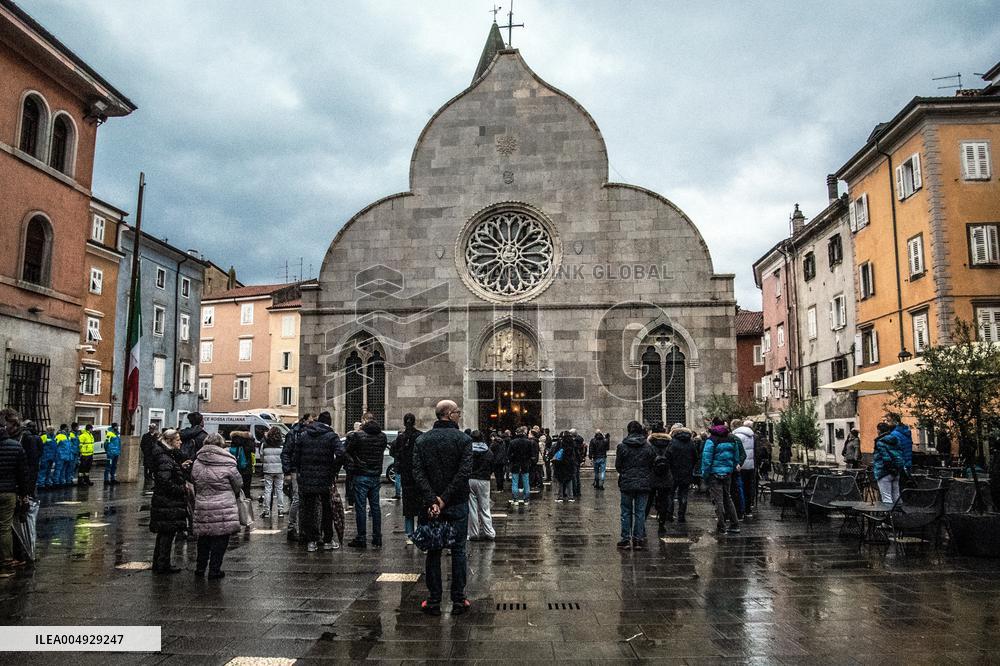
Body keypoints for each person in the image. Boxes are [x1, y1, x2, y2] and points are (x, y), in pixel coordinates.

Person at [412, 399, 473, 616]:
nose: (459, 415)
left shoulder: (422, 440)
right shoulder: (463, 440)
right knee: (458, 551)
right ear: (448, 414)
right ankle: (458, 600)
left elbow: (417, 473)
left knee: (433, 551)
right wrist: (444, 499)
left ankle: (434, 600)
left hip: (431, 507)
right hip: (455, 503)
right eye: (457, 412)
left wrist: (432, 500)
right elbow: (464, 472)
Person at [190, 433, 242, 579]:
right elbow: (238, 483)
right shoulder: (228, 462)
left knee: (204, 538)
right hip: (223, 505)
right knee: (220, 538)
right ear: (221, 444)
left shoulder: (197, 461)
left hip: (202, 503)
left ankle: (200, 568)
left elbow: (194, 479)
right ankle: (214, 570)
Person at [295, 411, 344, 552]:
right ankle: (328, 540)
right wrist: (334, 468)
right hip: (325, 477)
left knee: (310, 510)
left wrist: (301, 470)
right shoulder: (331, 436)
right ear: (330, 422)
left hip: (308, 477)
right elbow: (341, 453)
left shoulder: (304, 435)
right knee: (327, 508)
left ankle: (312, 541)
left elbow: (296, 457)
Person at [149, 429, 190, 573]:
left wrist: (180, 467)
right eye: (178, 440)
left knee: (164, 534)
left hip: (165, 502)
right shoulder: (165, 457)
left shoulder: (166, 455)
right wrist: (180, 489)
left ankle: (160, 563)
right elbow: (164, 480)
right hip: (167, 502)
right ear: (170, 441)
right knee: (167, 534)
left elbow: (167, 473)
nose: (180, 442)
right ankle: (162, 565)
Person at [346, 414, 388, 549]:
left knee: (361, 507)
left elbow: (347, 451)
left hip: (361, 474)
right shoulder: (382, 436)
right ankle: (377, 538)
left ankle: (361, 537)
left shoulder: (358, 436)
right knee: (375, 507)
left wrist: (354, 463)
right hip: (375, 475)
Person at [616, 421, 655, 550]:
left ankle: (626, 539)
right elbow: (652, 463)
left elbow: (618, 466)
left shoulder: (622, 446)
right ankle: (638, 539)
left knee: (626, 512)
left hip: (627, 483)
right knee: (640, 512)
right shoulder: (648, 446)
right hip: (644, 482)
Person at [0, 409, 29, 577]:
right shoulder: (15, 446)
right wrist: (24, 494)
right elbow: (22, 474)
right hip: (8, 492)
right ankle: (5, 564)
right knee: (4, 528)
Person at [702, 418, 741, 534]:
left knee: (718, 500)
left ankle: (722, 526)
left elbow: (706, 459)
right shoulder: (731, 438)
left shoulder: (711, 439)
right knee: (728, 498)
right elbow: (736, 456)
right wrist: (733, 467)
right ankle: (735, 524)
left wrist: (705, 475)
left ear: (713, 425)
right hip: (728, 472)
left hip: (715, 474)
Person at [393, 413, 422, 543]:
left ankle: (409, 534)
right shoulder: (420, 436)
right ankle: (420, 532)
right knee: (421, 505)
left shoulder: (401, 438)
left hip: (406, 475)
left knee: (408, 506)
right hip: (418, 474)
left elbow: (393, 452)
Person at [281, 414, 311, 541]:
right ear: (304, 421)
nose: (312, 423)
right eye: (310, 421)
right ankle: (291, 527)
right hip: (295, 470)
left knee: (304, 499)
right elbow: (286, 453)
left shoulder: (308, 433)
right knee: (297, 498)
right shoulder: (293, 433)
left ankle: (303, 528)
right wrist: (287, 472)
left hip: (306, 470)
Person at [467, 430, 495, 540]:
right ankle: (489, 532)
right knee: (484, 506)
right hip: (484, 480)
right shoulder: (488, 452)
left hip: (470, 479)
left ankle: (473, 533)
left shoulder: (468, 451)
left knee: (472, 507)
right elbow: (492, 465)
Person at [666, 426, 698, 523]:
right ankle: (681, 516)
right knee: (683, 494)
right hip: (686, 472)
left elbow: (668, 457)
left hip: (673, 472)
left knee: (670, 494)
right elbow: (695, 457)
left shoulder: (672, 443)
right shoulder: (691, 443)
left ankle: (670, 515)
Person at [647, 424, 672, 532]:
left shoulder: (648, 444)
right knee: (664, 501)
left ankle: (642, 523)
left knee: (648, 500)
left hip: (651, 476)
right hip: (666, 476)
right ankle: (662, 524)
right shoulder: (670, 444)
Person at [873, 422, 903, 504]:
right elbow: (900, 454)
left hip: (883, 471)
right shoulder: (896, 440)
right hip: (896, 470)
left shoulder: (880, 442)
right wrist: (895, 469)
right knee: (896, 495)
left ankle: (889, 516)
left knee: (886, 497)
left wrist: (889, 468)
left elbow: (885, 458)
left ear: (879, 431)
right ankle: (898, 514)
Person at [732, 419, 756, 518]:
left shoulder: (737, 436)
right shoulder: (751, 435)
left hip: (740, 466)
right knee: (748, 487)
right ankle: (748, 509)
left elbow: (737, 451)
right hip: (750, 465)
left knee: (739, 488)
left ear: (734, 426)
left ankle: (740, 511)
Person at [259, 426, 285, 518]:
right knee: (279, 490)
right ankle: (280, 510)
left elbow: (261, 456)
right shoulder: (282, 444)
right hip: (280, 470)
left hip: (268, 470)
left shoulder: (264, 444)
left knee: (268, 490)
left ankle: (266, 511)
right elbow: (284, 456)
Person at [507, 426, 533, 506]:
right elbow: (531, 454)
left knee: (515, 481)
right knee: (526, 481)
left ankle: (515, 499)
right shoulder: (528, 442)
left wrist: (512, 460)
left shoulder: (512, 442)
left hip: (515, 463)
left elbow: (508, 454)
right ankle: (526, 499)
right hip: (525, 463)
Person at [228, 431, 255, 498]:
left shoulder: (234, 441)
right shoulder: (249, 442)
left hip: (234, 468)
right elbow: (253, 452)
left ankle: (237, 501)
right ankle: (246, 503)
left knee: (235, 488)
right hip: (247, 467)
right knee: (246, 487)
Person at [553, 431, 578, 501]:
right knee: (569, 480)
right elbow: (575, 453)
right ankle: (571, 496)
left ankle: (560, 496)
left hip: (560, 463)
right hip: (570, 463)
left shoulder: (560, 442)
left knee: (560, 480)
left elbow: (556, 452)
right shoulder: (572, 443)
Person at [570, 428, 585, 498]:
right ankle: (578, 491)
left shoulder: (574, 442)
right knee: (577, 476)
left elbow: (574, 452)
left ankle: (575, 491)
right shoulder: (580, 440)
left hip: (574, 460)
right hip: (578, 460)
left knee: (574, 476)